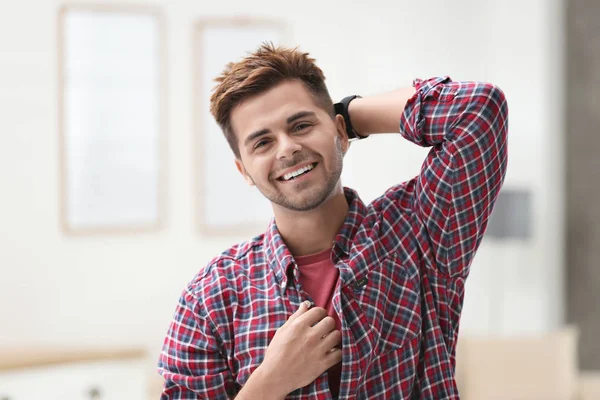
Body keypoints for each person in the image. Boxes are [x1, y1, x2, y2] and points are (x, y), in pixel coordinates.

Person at [157, 43, 508, 399]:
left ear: (341, 132)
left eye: (302, 125)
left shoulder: (418, 233)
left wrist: (351, 114)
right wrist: (270, 382)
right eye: (262, 142)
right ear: (244, 171)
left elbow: (479, 111)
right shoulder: (210, 299)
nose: (286, 148)